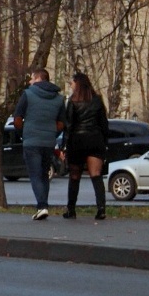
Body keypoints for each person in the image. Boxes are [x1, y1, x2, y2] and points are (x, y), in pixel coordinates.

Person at [12, 68, 67, 220]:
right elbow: (62, 123)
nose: (29, 81)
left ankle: (42, 206)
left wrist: (24, 132)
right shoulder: (58, 99)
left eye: (31, 78)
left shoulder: (28, 94)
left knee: (35, 174)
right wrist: (51, 133)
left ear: (38, 79)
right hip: (49, 142)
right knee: (44, 174)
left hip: (31, 141)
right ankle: (44, 205)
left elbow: (17, 118)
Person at [62, 71, 110, 220]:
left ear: (78, 84)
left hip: (77, 141)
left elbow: (68, 126)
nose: (71, 85)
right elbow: (104, 124)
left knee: (74, 176)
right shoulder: (97, 100)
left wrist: (64, 145)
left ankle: (71, 209)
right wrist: (104, 142)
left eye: (72, 82)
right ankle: (101, 209)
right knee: (96, 175)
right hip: (95, 140)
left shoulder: (73, 101)